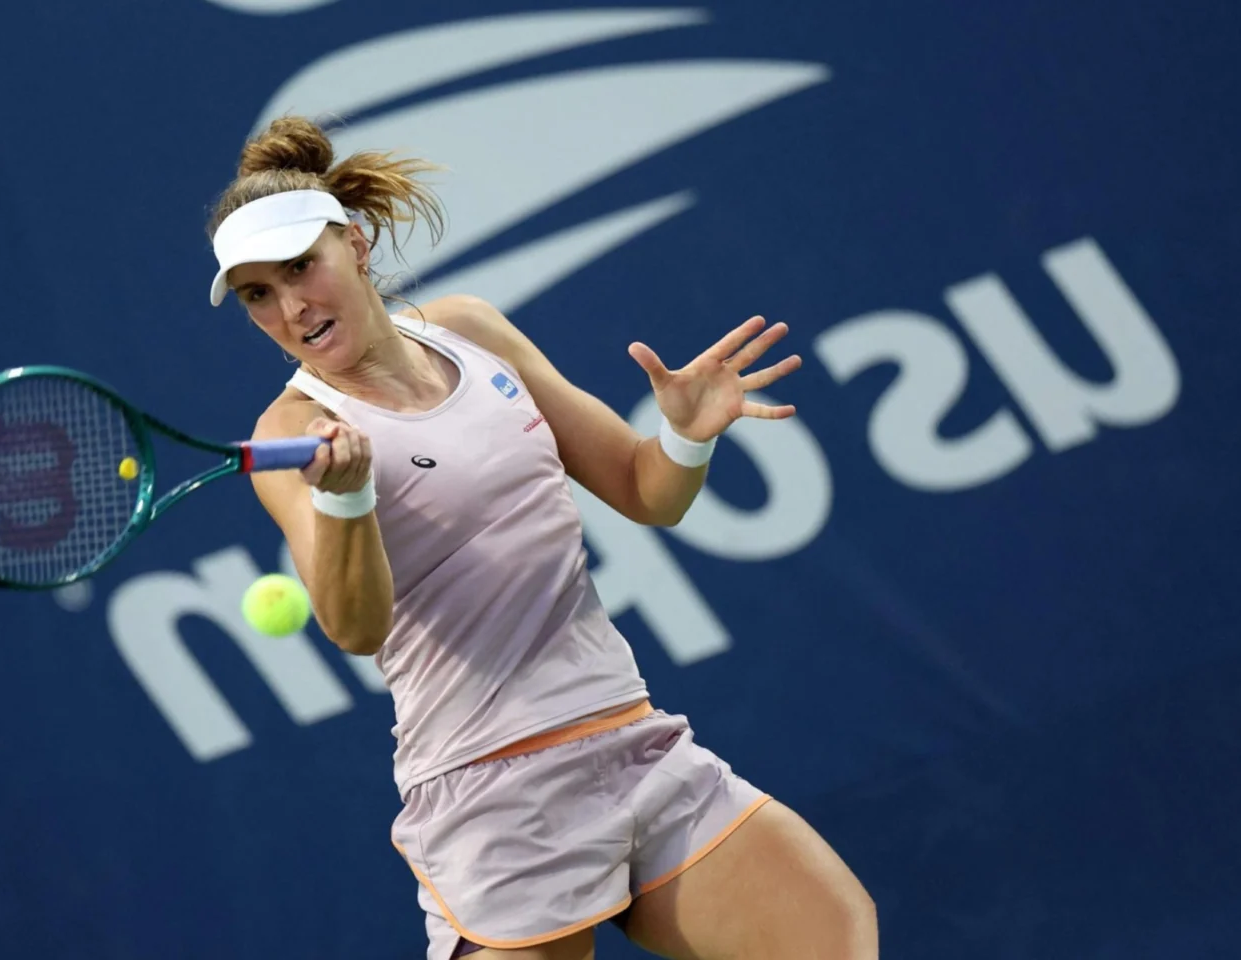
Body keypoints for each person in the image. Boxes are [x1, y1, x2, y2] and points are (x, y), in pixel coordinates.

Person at [205, 116, 878, 960]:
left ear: (357, 242)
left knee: (829, 932)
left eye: (301, 267)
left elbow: (643, 490)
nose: (290, 307)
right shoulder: (297, 431)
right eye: (258, 294)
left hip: (631, 742)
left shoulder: (470, 330)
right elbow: (354, 628)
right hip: (495, 793)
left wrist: (685, 437)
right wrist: (344, 503)